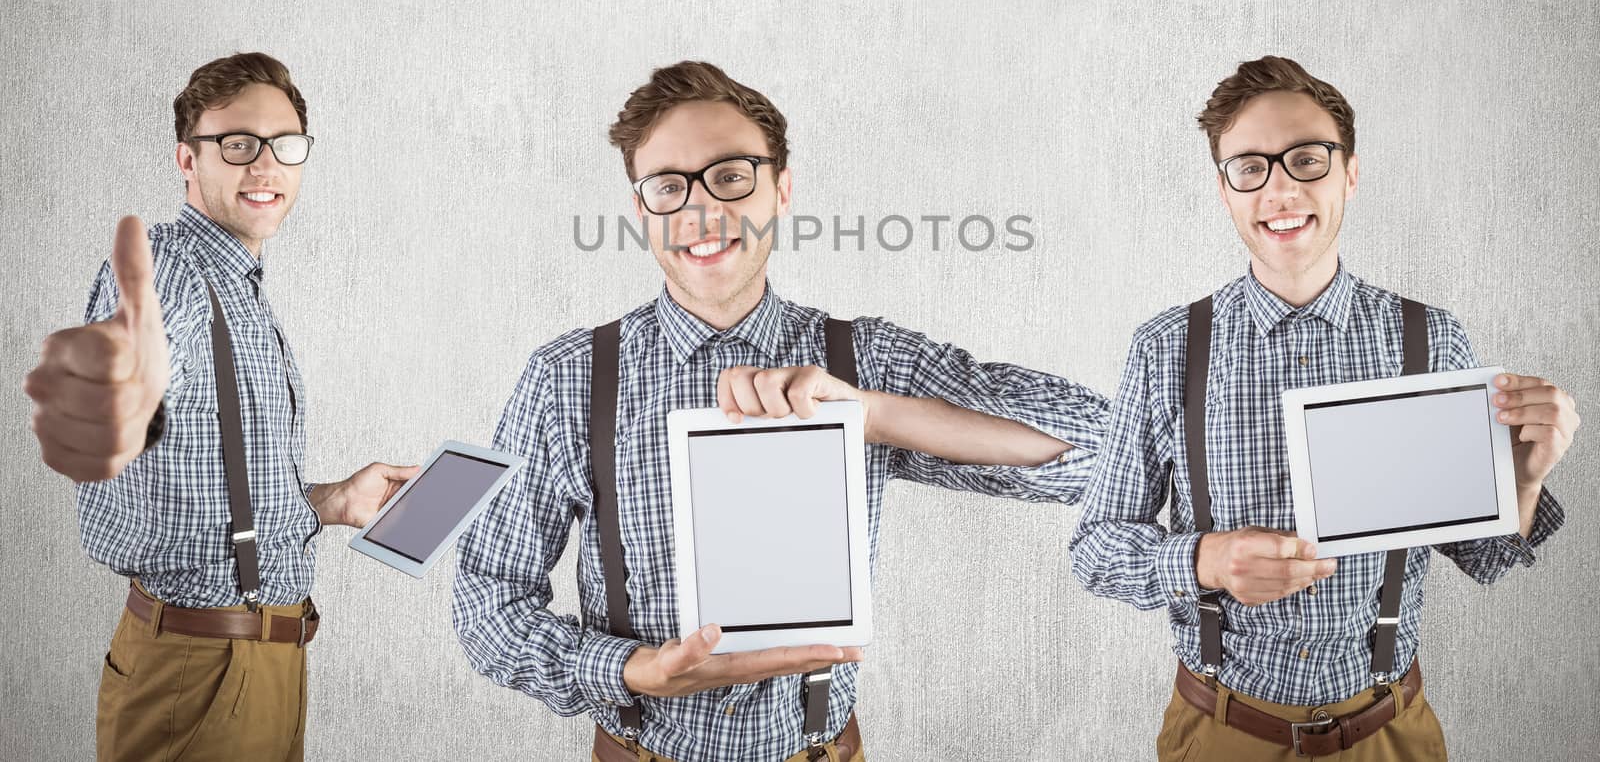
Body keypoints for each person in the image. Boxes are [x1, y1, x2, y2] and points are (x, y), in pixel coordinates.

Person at [453, 60, 1107, 762]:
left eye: (731, 175)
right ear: (642, 210)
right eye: (670, 186)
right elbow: (489, 599)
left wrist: (871, 413)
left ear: (781, 189)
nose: (701, 210)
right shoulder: (568, 378)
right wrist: (630, 669)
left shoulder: (862, 359)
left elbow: (1109, 451)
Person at [1069, 55, 1578, 760]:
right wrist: (1205, 560)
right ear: (1225, 190)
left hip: (1388, 731)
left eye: (1306, 158)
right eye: (1250, 167)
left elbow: (1486, 556)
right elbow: (1094, 546)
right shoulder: (1167, 348)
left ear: (1350, 173)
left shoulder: (1428, 340)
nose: (1279, 187)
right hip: (1221, 732)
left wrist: (1522, 477)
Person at [24, 52, 419, 762]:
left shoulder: (235, 283)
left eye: (285, 145)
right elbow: (124, 505)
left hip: (263, 662)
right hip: (199, 671)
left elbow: (203, 482)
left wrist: (329, 501)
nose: (265, 166)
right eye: (237, 145)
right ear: (188, 158)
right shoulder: (164, 269)